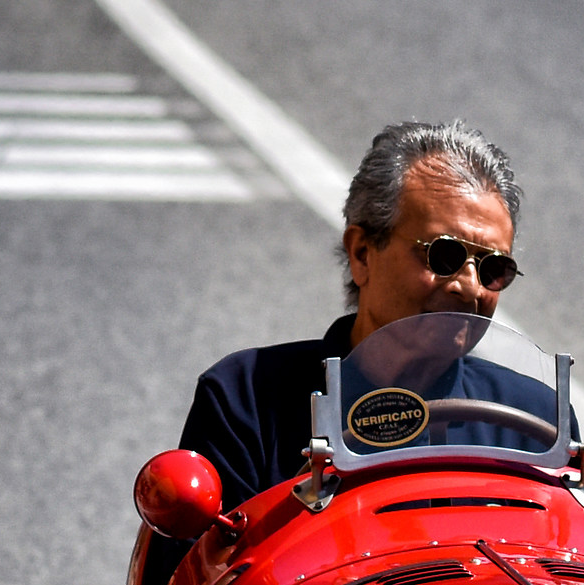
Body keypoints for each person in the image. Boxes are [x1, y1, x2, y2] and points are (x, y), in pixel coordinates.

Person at [179, 119, 537, 509]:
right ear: (362, 253)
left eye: (493, 269)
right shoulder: (246, 400)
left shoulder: (533, 422)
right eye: (444, 255)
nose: (469, 287)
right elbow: (204, 548)